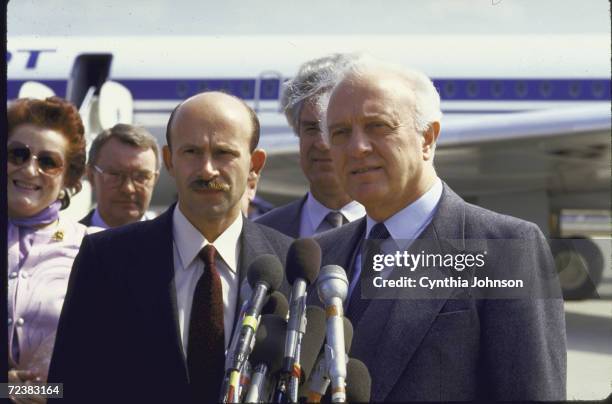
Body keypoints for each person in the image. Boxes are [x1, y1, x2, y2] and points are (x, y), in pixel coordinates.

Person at [314, 57, 567, 401]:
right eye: (341, 132)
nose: (357, 147)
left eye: (378, 126)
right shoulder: (319, 255)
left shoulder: (504, 248)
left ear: (427, 139)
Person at [48, 92, 292, 404]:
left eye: (223, 153)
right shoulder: (105, 258)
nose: (207, 170)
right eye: (191, 152)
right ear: (169, 161)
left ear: (255, 165)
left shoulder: (289, 264)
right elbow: (68, 386)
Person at [7, 97, 99, 392]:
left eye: (48, 162)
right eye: (17, 154)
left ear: (69, 177)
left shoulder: (94, 249)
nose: (30, 170)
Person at [256, 54, 365, 237]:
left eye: (335, 130)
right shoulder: (262, 234)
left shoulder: (406, 233)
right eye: (311, 128)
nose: (322, 143)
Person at [80, 123, 160, 228]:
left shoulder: (175, 242)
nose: (128, 189)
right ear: (91, 177)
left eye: (141, 176)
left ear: (155, 179)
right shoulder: (68, 242)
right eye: (115, 175)